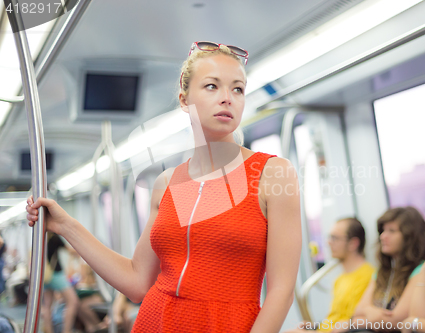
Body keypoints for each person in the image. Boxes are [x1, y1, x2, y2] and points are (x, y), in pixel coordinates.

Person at [26, 41, 302, 333]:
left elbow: (281, 292)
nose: (227, 98)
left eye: (238, 89)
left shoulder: (271, 174)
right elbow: (136, 282)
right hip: (155, 321)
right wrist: (67, 226)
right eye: (212, 86)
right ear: (184, 100)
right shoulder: (169, 183)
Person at [339, 207, 425, 333]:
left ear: (410, 237)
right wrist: (369, 311)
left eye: (391, 231)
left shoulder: (423, 270)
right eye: (383, 231)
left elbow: (395, 321)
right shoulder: (383, 271)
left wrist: (354, 322)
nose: (383, 236)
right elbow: (358, 312)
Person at [285, 218, 375, 332]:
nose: (329, 242)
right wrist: (314, 327)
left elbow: (349, 322)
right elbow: (335, 317)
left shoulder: (368, 276)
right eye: (330, 237)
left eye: (335, 238)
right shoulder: (340, 279)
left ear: (353, 243)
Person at [41, 232, 80, 333]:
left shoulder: (40, 235)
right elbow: (71, 251)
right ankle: (66, 331)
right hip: (55, 274)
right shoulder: (54, 237)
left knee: (48, 305)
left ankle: (49, 331)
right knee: (72, 301)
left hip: (44, 275)